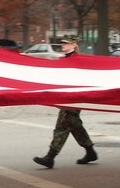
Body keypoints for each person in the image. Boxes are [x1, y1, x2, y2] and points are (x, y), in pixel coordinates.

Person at [33, 35, 98, 168]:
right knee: (74, 125)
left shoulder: (78, 60)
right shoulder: (63, 60)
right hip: (67, 98)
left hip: (75, 98)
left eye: (67, 44)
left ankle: (50, 156)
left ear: (74, 45)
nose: (63, 45)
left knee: (63, 124)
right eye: (63, 43)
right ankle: (90, 151)